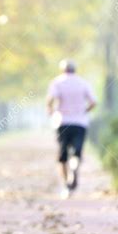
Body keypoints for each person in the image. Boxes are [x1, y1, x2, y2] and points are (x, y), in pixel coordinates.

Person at [46, 59, 97, 199]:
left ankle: (66, 184)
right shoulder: (83, 83)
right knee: (76, 152)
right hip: (80, 123)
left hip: (62, 122)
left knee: (62, 155)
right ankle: (74, 171)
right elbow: (93, 102)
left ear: (63, 70)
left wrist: (51, 111)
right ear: (75, 69)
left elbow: (50, 101)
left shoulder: (57, 82)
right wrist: (84, 111)